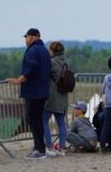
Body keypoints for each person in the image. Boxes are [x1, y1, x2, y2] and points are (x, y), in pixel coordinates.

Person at [7, 28, 51, 160]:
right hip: (42, 91)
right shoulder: (44, 50)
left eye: (26, 37)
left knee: (32, 120)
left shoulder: (33, 50)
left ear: (31, 37)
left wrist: (19, 80)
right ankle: (40, 147)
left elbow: (31, 68)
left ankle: (39, 149)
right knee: (36, 120)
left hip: (33, 91)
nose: (25, 40)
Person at [43, 41, 69, 157]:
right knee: (61, 123)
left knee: (43, 121)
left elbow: (44, 75)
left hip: (52, 97)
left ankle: (49, 146)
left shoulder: (52, 62)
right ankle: (62, 148)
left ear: (52, 51)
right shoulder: (65, 63)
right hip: (63, 97)